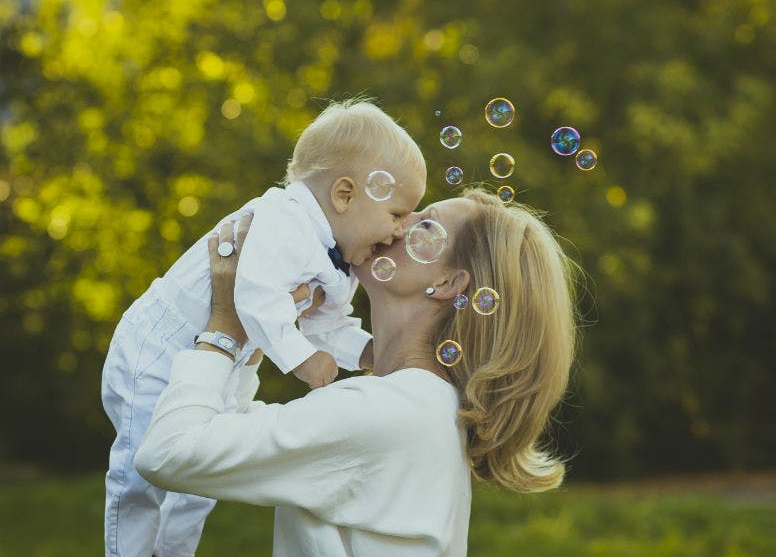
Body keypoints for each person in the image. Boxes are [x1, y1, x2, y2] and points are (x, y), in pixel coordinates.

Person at [135, 186, 580, 557]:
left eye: (424, 224)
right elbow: (224, 430)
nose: (399, 224)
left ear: (447, 284)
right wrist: (256, 334)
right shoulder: (416, 407)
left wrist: (225, 326)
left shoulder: (387, 413)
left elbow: (170, 452)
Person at [101, 99, 427, 557]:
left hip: (222, 361)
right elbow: (255, 294)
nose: (398, 232)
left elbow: (327, 325)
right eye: (396, 214)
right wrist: (301, 359)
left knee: (199, 477)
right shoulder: (284, 220)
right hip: (158, 346)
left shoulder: (342, 259)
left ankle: (171, 552)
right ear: (345, 195)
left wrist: (369, 352)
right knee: (140, 471)